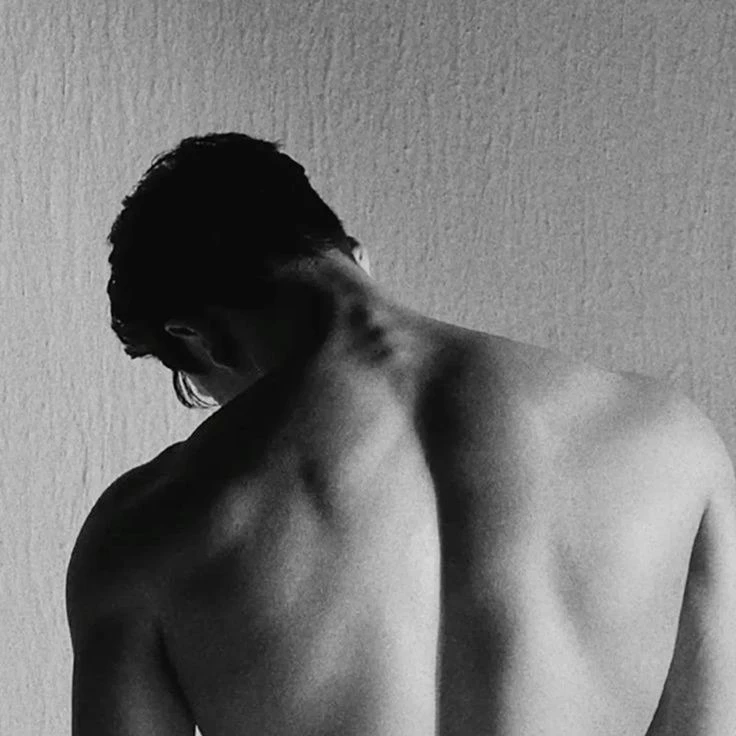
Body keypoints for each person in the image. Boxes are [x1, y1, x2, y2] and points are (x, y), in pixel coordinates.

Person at [66, 133, 736, 736]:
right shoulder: (671, 438)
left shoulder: (144, 525)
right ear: (358, 258)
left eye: (199, 389)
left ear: (198, 338)